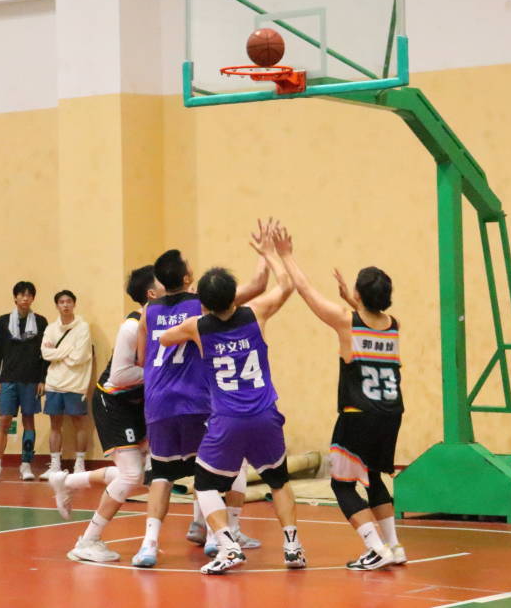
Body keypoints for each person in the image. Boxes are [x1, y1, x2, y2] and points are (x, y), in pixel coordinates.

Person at [159, 236, 307, 574]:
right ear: (234, 296)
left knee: (205, 484)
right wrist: (269, 254)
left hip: (227, 419)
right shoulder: (255, 313)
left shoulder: (197, 327)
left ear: (205, 302)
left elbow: (165, 339)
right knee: (278, 481)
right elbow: (286, 284)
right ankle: (293, 546)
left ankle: (227, 546)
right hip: (265, 414)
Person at [130, 229, 269, 569]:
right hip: (196, 400)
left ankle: (149, 545)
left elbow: (141, 359)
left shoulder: (148, 311)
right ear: (187, 278)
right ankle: (215, 536)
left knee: (161, 474)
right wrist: (265, 253)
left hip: (158, 401)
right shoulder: (201, 304)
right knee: (215, 470)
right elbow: (257, 287)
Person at [276, 230, 405, 570]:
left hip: (358, 414)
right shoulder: (394, 325)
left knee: (342, 486)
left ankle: (376, 548)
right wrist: (356, 301)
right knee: (374, 477)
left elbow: (306, 291)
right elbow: (372, 321)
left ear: (359, 294)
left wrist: (286, 255)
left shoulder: (347, 322)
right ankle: (394, 546)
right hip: (391, 413)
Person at [49, 266, 161, 562]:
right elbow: (121, 375)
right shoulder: (132, 327)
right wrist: (161, 373)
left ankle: (67, 482)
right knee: (132, 474)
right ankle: (88, 540)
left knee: (139, 475)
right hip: (113, 401)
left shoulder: (160, 322)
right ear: (152, 293)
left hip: (135, 403)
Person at [0, 281, 48, 482]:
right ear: (15, 297)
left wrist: (42, 379)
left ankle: (26, 465)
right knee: (4, 421)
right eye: (21, 294)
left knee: (28, 421)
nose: (25, 298)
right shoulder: (3, 321)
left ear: (33, 298)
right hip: (7, 379)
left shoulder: (41, 322)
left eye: (29, 295)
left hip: (31, 380)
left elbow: (44, 354)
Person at [39, 290, 93, 480]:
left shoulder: (83, 327)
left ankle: (79, 465)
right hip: (53, 384)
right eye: (61, 302)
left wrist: (57, 352)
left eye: (69, 301)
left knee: (79, 424)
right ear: (57, 305)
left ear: (74, 304)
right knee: (55, 425)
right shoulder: (51, 328)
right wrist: (68, 350)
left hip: (76, 384)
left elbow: (79, 357)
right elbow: (45, 354)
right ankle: (55, 465)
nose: (65, 305)